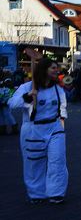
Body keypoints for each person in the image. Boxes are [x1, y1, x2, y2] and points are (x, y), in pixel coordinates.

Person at [8, 58, 69, 204]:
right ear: (44, 70)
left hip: (54, 128)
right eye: (53, 68)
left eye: (57, 68)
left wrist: (61, 130)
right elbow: (12, 104)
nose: (56, 71)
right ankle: (37, 193)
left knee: (58, 160)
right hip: (33, 129)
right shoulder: (26, 87)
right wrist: (28, 96)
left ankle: (56, 192)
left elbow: (62, 110)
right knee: (34, 162)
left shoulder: (58, 89)